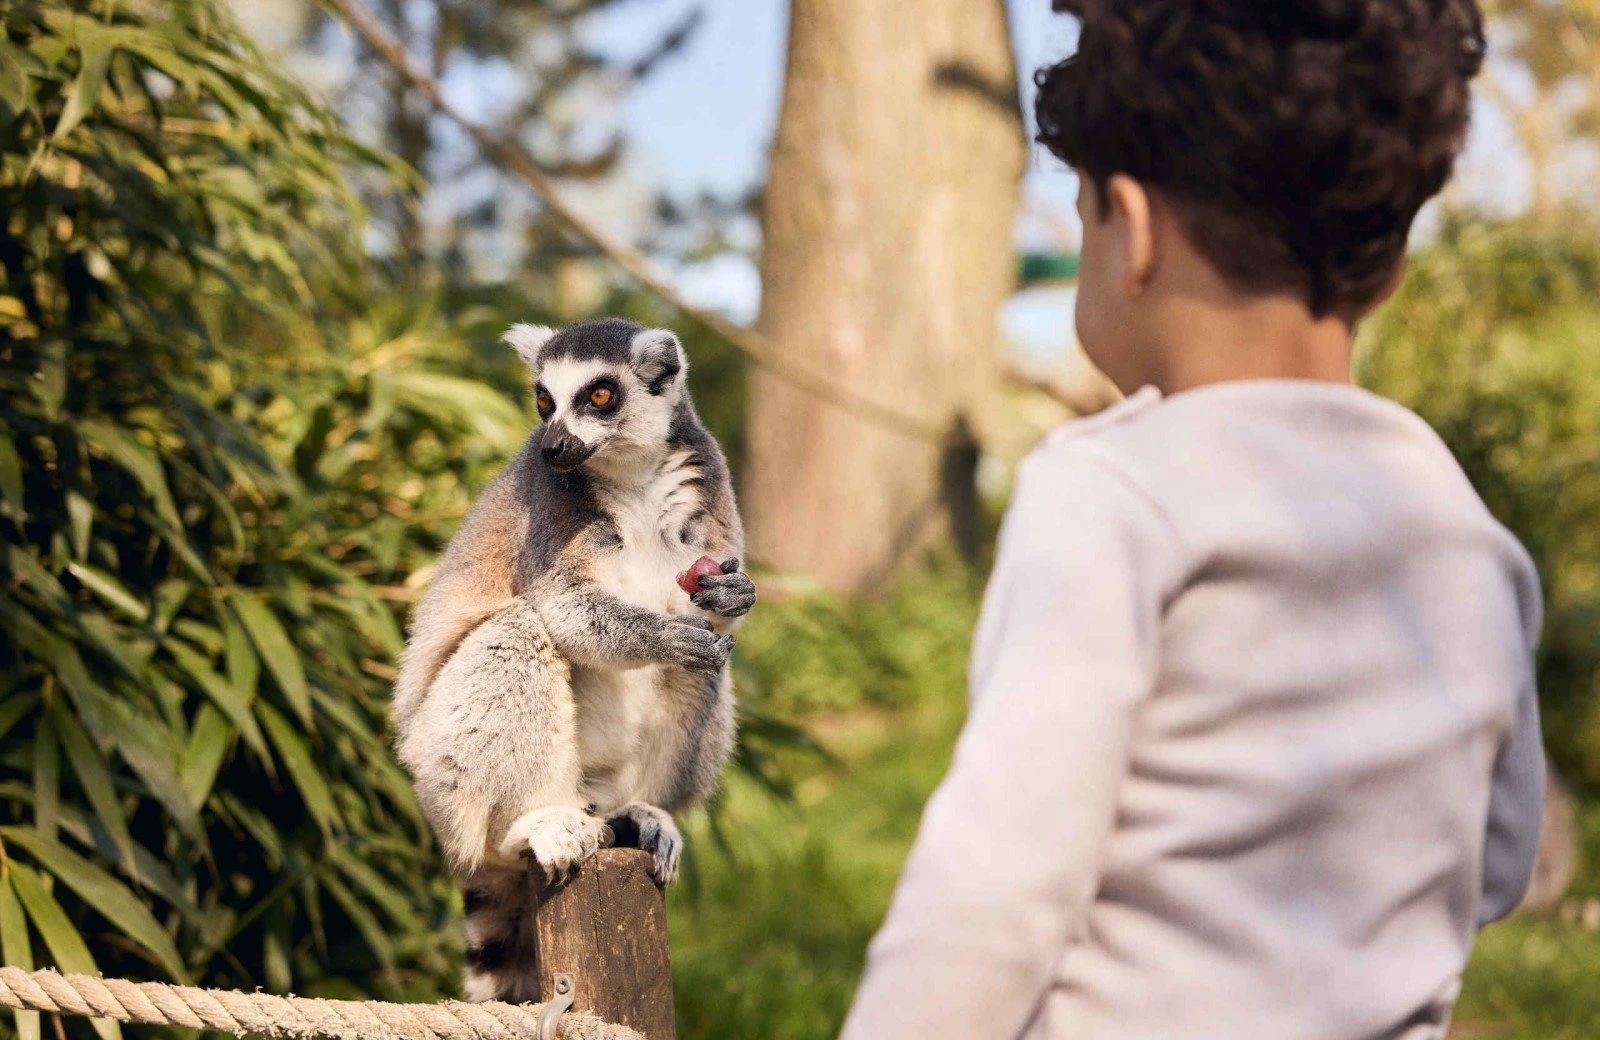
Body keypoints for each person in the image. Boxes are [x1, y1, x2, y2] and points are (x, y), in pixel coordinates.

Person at [838, 2, 1544, 1038]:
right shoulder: (1465, 527)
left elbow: (992, 896)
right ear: (1388, 264)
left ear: (1130, 226)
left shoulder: (1108, 491)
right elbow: (1501, 857)